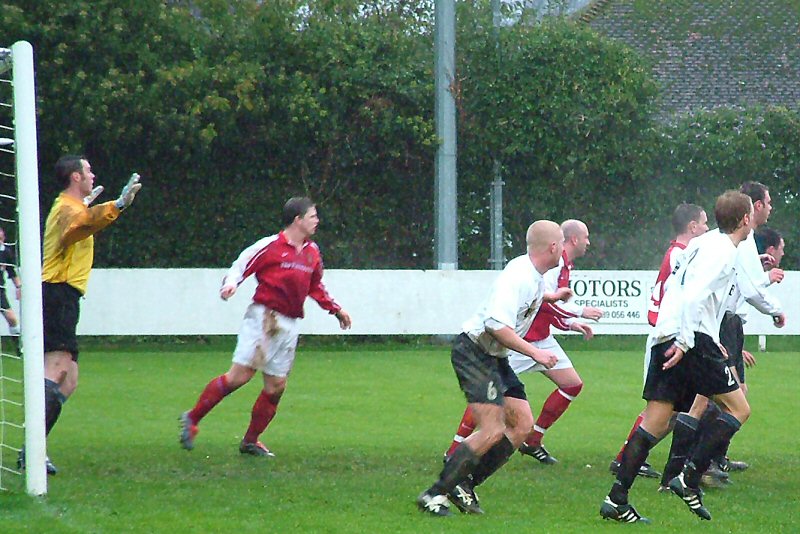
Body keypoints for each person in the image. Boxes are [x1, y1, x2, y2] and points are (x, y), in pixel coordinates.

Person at [600, 190, 754, 523]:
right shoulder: (724, 251)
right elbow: (696, 295)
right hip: (688, 337)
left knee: (654, 421)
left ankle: (616, 499)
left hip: (667, 333)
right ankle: (688, 477)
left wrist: (699, 336)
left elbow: (683, 289)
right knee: (739, 407)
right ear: (745, 220)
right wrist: (689, 341)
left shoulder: (703, 244)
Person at [417, 220, 570, 517]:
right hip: (474, 352)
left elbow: (528, 302)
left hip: (494, 357)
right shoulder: (519, 275)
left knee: (522, 424)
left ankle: (466, 484)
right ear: (553, 247)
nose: (564, 248)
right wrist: (536, 352)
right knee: (492, 428)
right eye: (562, 242)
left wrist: (553, 298)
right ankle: (434, 494)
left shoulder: (535, 277)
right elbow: (495, 325)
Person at [179, 197, 352, 458]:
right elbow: (242, 264)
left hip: (290, 324)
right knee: (239, 377)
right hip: (264, 319)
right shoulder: (270, 246)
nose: (317, 221)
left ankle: (250, 441)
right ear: (297, 219)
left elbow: (315, 286)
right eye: (312, 216)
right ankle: (192, 418)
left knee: (276, 387)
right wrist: (231, 284)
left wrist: (335, 309)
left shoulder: (312, 252)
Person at [18, 156, 142, 475]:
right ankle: (32, 450)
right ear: (76, 176)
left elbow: (81, 221)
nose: (92, 174)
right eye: (88, 171)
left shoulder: (73, 207)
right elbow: (78, 227)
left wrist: (89, 207)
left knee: (69, 378)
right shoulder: (67, 209)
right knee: (57, 366)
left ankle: (32, 448)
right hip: (57, 292)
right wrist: (118, 205)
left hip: (64, 295)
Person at [443, 220, 601, 466]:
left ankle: (533, 439)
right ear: (564, 242)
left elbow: (539, 300)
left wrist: (569, 320)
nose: (589, 242)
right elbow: (508, 318)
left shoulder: (553, 266)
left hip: (539, 339)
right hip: (516, 342)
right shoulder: (540, 268)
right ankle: (455, 451)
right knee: (489, 399)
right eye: (586, 237)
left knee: (572, 384)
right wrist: (578, 314)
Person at [609, 203, 708, 478]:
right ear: (692, 227)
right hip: (669, 337)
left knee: (675, 409)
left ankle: (645, 461)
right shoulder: (681, 255)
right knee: (663, 409)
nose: (707, 229)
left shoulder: (677, 253)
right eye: (704, 223)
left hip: (672, 335)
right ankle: (627, 460)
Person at [0, 226, 22, 340]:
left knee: (11, 318)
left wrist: (19, 287)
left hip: (0, 290)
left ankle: (19, 346)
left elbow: (12, 272)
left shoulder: (6, 252)